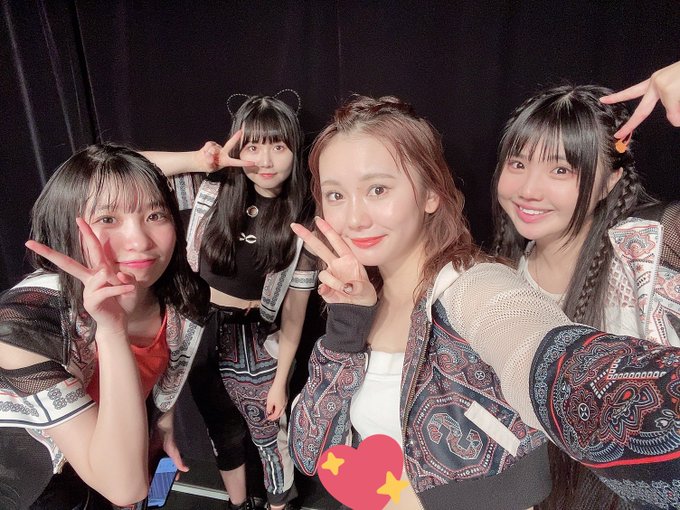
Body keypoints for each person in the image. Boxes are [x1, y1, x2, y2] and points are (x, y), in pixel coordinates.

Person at [288, 94, 680, 510]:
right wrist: (347, 324)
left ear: (431, 194)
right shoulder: (360, 300)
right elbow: (311, 452)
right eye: (335, 195)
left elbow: (537, 356)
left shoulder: (475, 288)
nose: (354, 219)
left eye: (377, 189)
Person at [491, 78, 680, 507]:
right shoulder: (499, 274)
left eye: (561, 170)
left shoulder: (650, 245)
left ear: (610, 179)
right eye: (518, 163)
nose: (528, 189)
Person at [0, 144, 208, 509]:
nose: (140, 242)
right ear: (66, 226)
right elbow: (124, 486)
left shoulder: (184, 297)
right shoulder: (25, 322)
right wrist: (112, 331)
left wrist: (162, 423)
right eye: (108, 219)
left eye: (155, 215)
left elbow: (165, 373)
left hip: (121, 453)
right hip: (41, 483)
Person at [143, 93, 317, 510]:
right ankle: (237, 505)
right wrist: (198, 160)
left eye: (278, 146)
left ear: (294, 150)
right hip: (197, 331)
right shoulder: (212, 190)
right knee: (221, 430)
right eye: (253, 146)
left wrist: (281, 380)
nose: (266, 160)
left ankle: (279, 505)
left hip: (255, 338)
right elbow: (121, 170)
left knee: (268, 434)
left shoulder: (302, 220)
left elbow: (295, 311)